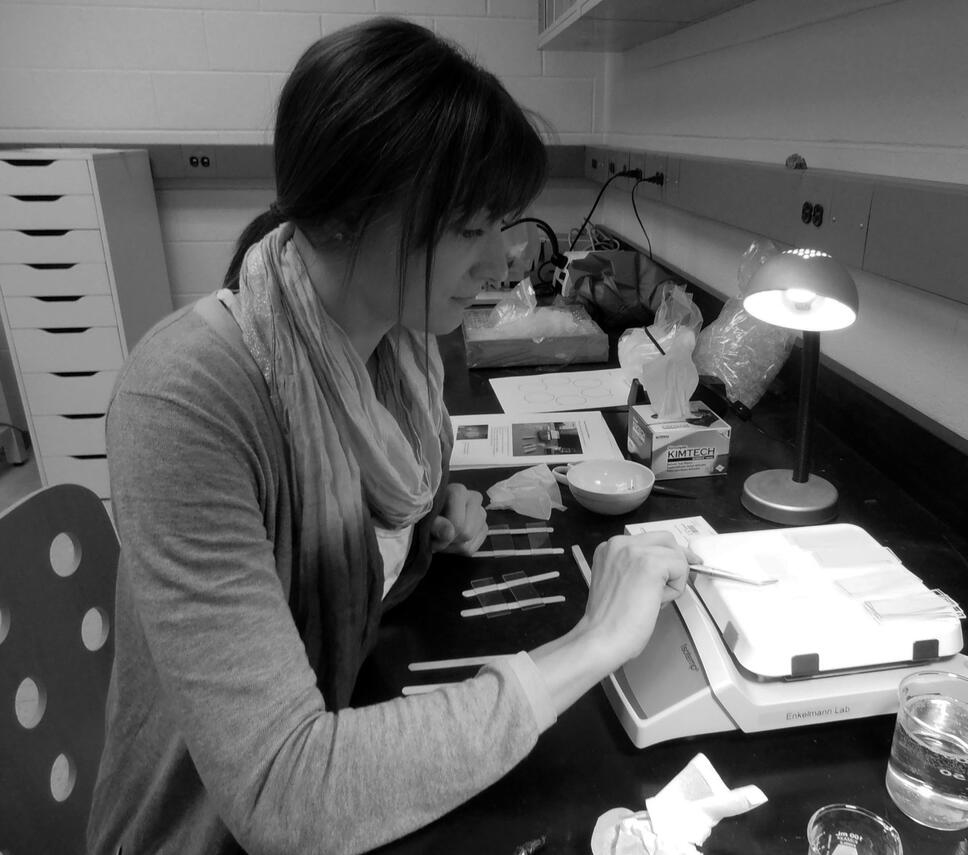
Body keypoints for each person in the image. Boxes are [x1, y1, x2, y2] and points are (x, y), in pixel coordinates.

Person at [87, 17, 691, 855]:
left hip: (347, 725)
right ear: (352, 213)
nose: (501, 263)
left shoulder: (401, 350)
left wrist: (422, 520)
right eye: (470, 228)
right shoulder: (189, 396)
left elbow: (340, 520)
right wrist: (587, 646)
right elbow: (282, 792)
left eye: (500, 225)